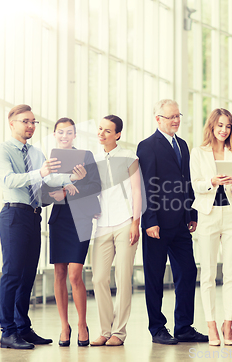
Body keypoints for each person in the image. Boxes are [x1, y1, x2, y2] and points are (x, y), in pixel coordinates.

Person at [136, 99, 208, 345]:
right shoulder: (147, 147)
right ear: (158, 119)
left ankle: (184, 327)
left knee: (187, 271)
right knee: (154, 277)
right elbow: (147, 187)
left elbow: (186, 181)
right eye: (171, 117)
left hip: (180, 221)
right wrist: (150, 221)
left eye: (178, 116)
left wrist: (192, 213)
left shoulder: (183, 145)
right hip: (156, 223)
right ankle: (157, 328)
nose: (176, 120)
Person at [0, 104, 60, 349]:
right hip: (13, 215)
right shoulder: (2, 150)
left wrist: (71, 179)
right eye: (25, 121)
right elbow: (9, 180)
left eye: (33, 122)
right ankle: (7, 331)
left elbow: (47, 183)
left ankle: (22, 328)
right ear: (12, 124)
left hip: (33, 215)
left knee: (28, 274)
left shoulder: (37, 152)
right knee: (12, 274)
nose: (30, 125)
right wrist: (39, 173)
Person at [189, 108, 232, 346]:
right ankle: (211, 324)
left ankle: (228, 324)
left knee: (231, 273)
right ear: (212, 126)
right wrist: (212, 181)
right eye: (220, 125)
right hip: (208, 215)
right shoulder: (199, 152)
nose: (224, 130)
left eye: (228, 126)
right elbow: (195, 185)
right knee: (209, 274)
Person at [43, 118, 101, 347]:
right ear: (55, 135)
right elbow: (44, 191)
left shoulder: (85, 156)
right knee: (59, 274)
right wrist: (57, 191)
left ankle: (81, 324)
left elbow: (96, 185)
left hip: (81, 219)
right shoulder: (51, 161)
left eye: (69, 132)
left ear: (74, 135)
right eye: (60, 132)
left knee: (75, 274)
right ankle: (64, 325)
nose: (64, 136)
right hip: (59, 220)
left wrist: (71, 189)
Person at [90, 115, 142, 347]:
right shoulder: (93, 159)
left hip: (125, 222)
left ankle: (118, 332)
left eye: (107, 131)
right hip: (101, 226)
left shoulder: (130, 157)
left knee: (122, 277)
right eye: (100, 129)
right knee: (99, 278)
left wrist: (135, 223)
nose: (101, 134)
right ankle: (104, 329)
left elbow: (137, 191)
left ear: (118, 134)